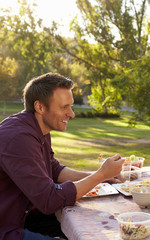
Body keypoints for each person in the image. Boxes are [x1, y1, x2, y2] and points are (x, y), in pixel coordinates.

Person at [0, 73, 126, 240]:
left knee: (101, 224)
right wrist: (100, 175)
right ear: (40, 107)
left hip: (28, 213)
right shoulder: (18, 138)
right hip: (7, 226)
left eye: (71, 106)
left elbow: (53, 169)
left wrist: (104, 177)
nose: (72, 114)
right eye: (64, 107)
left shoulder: (38, 127)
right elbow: (49, 200)